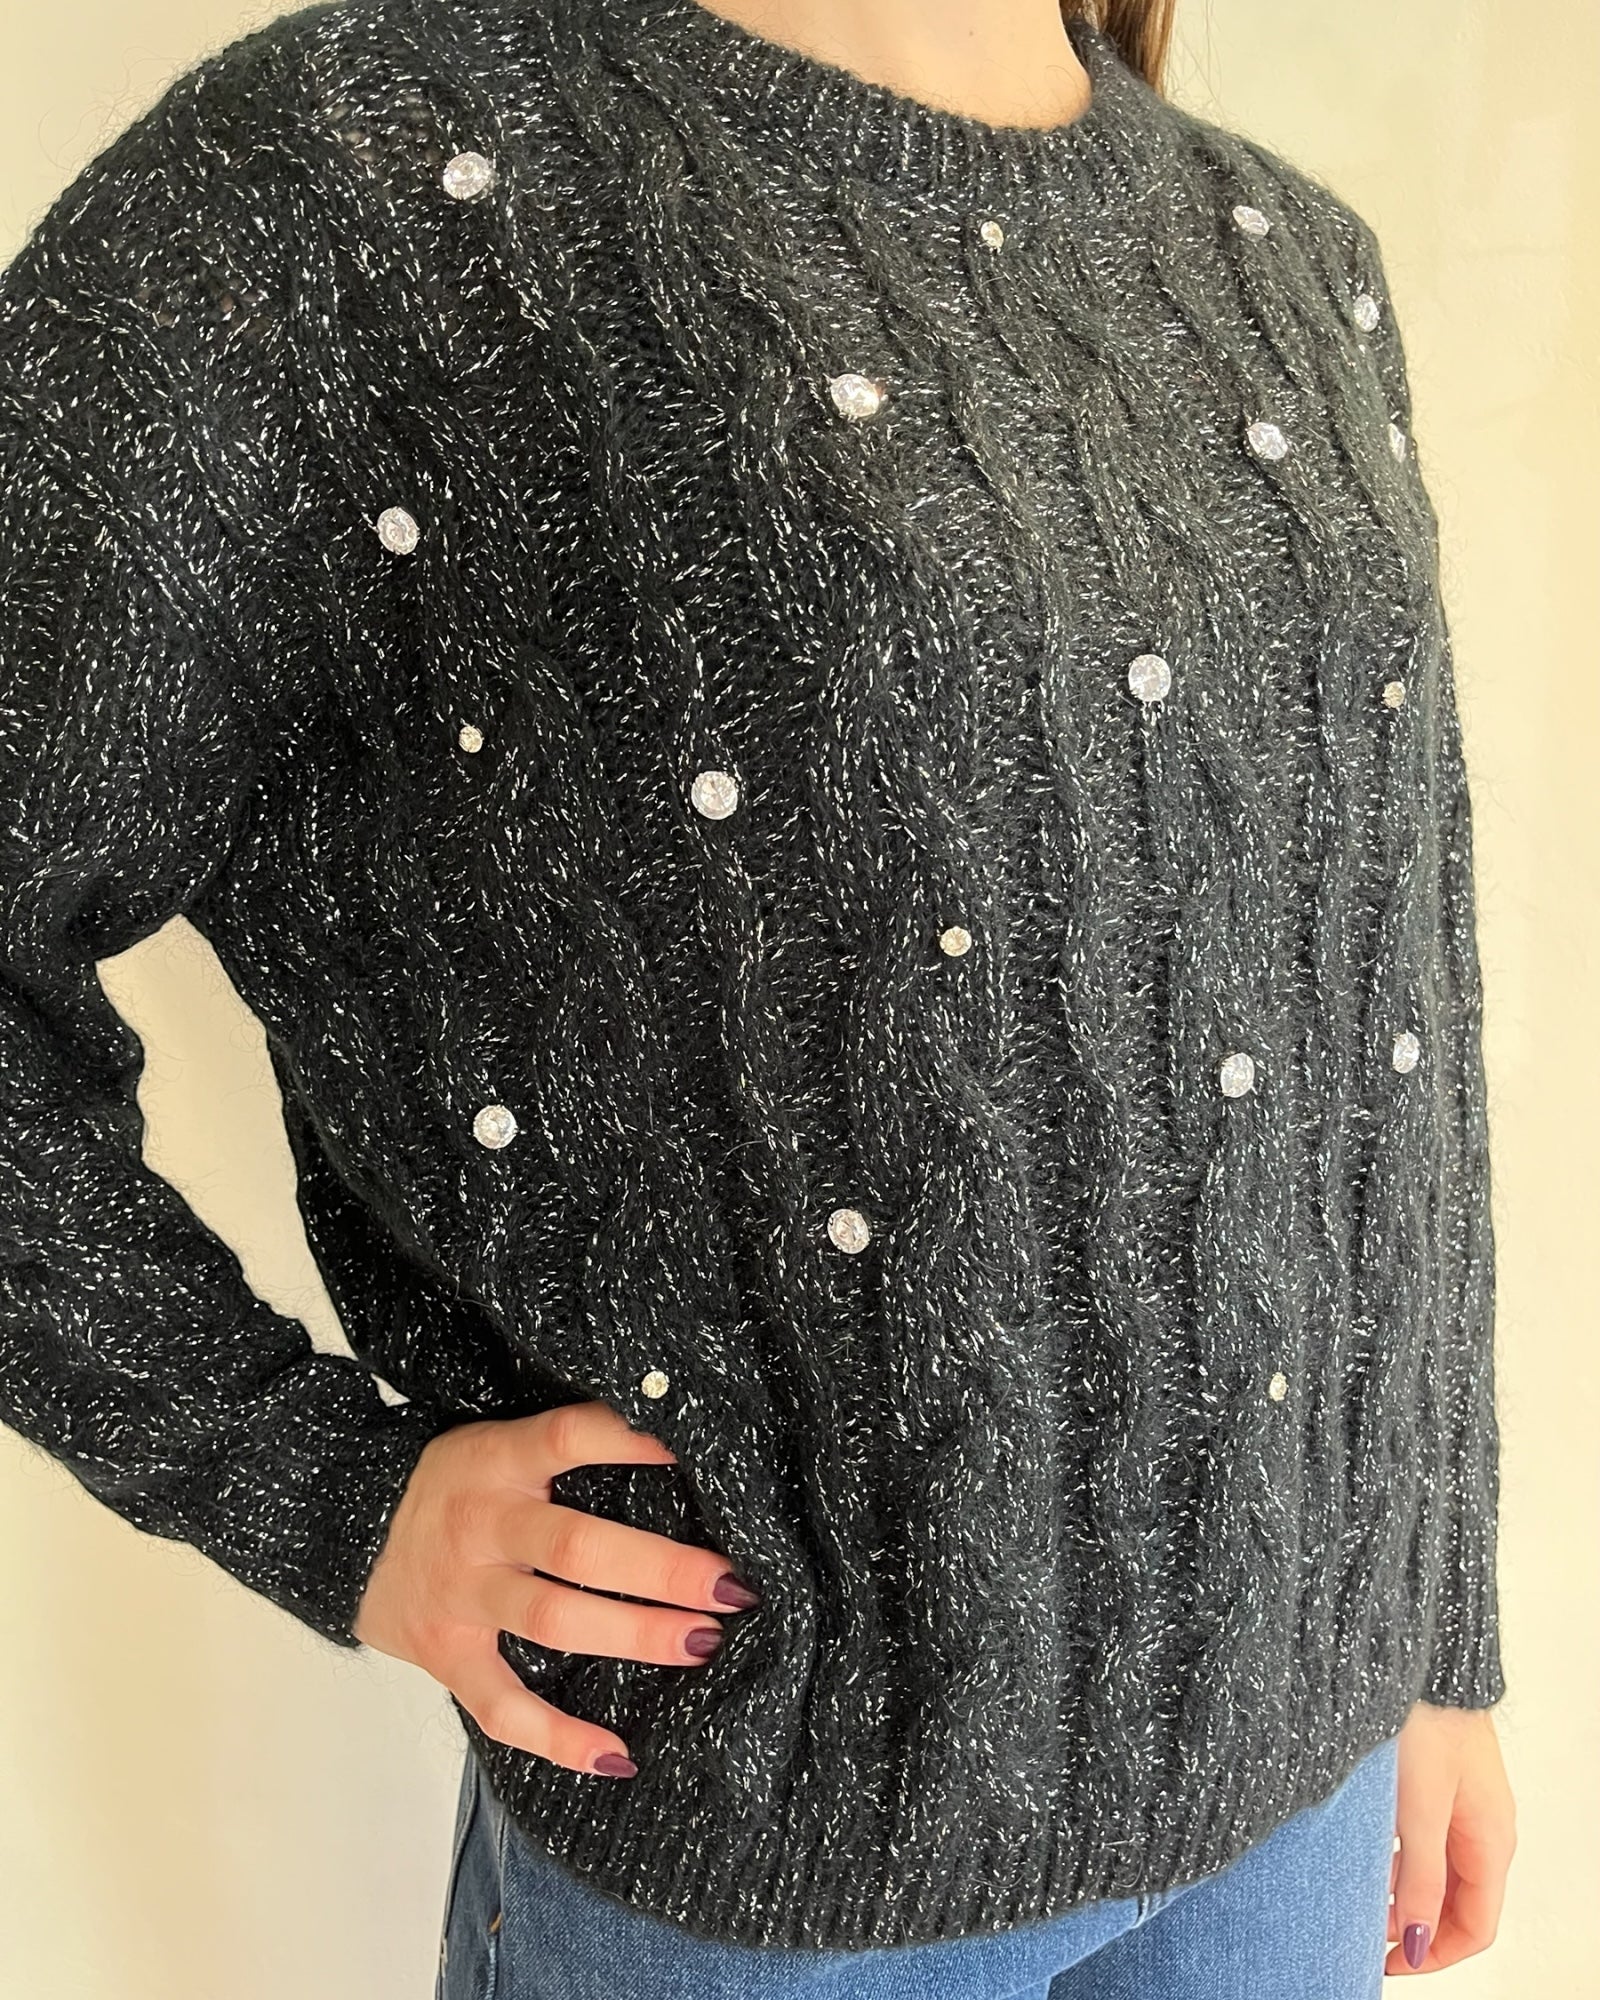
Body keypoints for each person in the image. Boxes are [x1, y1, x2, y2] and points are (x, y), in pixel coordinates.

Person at [0, 0, 1516, 1992]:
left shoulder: (1284, 254)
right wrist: (315, 1490)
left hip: (1303, 1779)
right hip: (763, 1854)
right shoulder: (359, 181)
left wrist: (1435, 1632)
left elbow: (1387, 1005)